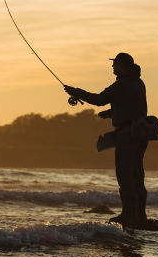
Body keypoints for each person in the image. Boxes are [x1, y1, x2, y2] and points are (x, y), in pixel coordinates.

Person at [63, 52, 149, 226]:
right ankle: (140, 215)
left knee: (125, 175)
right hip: (141, 133)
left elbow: (99, 99)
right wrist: (112, 113)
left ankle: (128, 216)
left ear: (123, 66)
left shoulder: (122, 84)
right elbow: (133, 106)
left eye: (115, 63)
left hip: (128, 134)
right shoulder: (138, 83)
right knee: (137, 175)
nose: (112, 66)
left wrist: (76, 91)